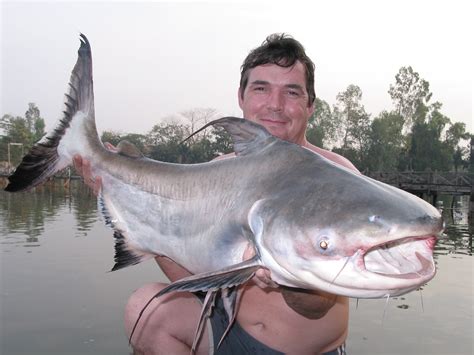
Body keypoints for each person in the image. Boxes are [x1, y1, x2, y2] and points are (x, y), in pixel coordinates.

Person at [74, 33, 358, 355]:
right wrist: (136, 215)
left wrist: (290, 278)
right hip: (226, 334)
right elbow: (199, 274)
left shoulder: (338, 178)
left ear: (310, 106)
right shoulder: (216, 173)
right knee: (146, 310)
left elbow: (315, 308)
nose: (275, 105)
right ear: (241, 97)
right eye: (261, 88)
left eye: (291, 92)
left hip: (305, 350)